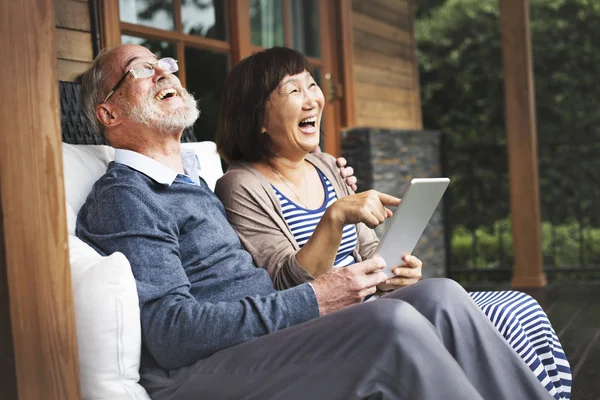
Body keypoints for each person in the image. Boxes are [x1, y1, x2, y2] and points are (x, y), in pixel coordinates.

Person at [76, 43, 553, 400]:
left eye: (168, 64)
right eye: (143, 69)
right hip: (200, 372)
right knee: (391, 325)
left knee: (440, 294)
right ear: (109, 112)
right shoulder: (126, 196)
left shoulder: (191, 184)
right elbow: (172, 334)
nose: (165, 71)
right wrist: (313, 300)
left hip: (261, 340)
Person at [214, 47, 572, 399]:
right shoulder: (241, 183)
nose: (312, 100)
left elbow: (369, 251)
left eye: (311, 85)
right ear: (258, 117)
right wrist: (335, 216)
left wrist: (395, 273)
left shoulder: (324, 166)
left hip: (377, 304)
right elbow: (288, 289)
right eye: (293, 91)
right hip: (329, 325)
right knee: (488, 313)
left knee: (520, 308)